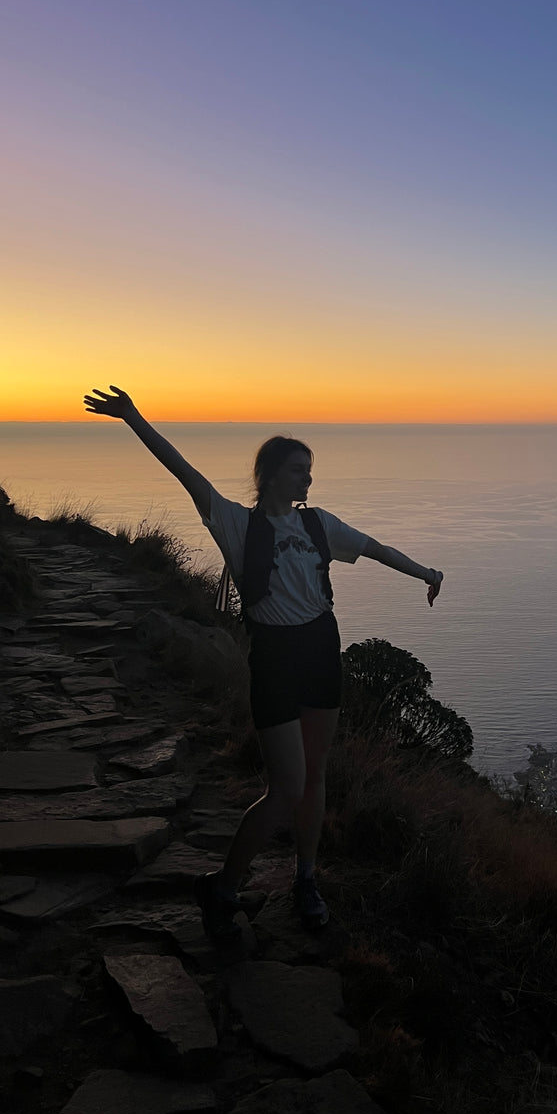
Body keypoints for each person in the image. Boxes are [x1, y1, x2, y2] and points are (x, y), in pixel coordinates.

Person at [83, 385, 443, 937]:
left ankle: (305, 876)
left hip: (322, 648)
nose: (308, 479)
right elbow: (183, 470)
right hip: (274, 657)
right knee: (287, 788)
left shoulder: (319, 524)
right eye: (300, 470)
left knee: (316, 776)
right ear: (272, 473)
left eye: (309, 471)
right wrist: (133, 417)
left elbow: (374, 549)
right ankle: (222, 885)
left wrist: (426, 574)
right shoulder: (236, 524)